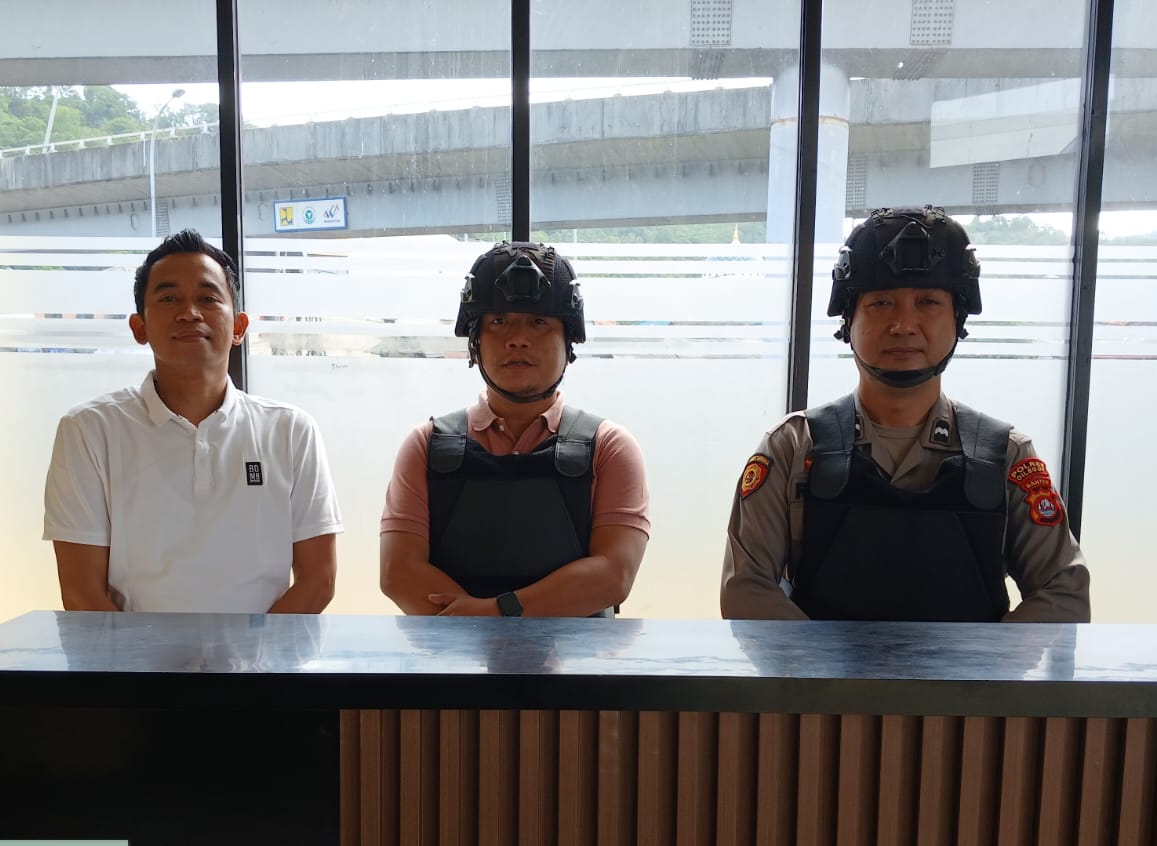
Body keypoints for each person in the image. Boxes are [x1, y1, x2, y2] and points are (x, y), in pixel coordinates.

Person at [720, 205, 1090, 622]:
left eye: (928, 302)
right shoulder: (792, 448)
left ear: (958, 319)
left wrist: (985, 661)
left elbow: (1064, 593)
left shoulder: (1004, 454)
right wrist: (823, 665)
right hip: (818, 668)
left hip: (970, 669)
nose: (904, 325)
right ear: (848, 320)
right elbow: (746, 590)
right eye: (881, 303)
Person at [43, 229, 342, 613]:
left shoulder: (291, 431)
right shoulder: (88, 431)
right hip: (134, 653)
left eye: (208, 298)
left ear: (239, 327)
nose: (189, 313)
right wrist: (151, 655)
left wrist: (251, 652)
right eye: (169, 298)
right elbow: (81, 594)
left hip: (263, 652)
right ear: (139, 327)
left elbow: (319, 581)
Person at [380, 241, 650, 617]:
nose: (517, 338)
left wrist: (496, 613)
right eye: (498, 321)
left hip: (573, 658)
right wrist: (486, 629)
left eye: (539, 322)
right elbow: (399, 572)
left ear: (568, 340)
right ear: (475, 341)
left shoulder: (608, 447)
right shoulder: (427, 446)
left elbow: (613, 574)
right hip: (453, 655)